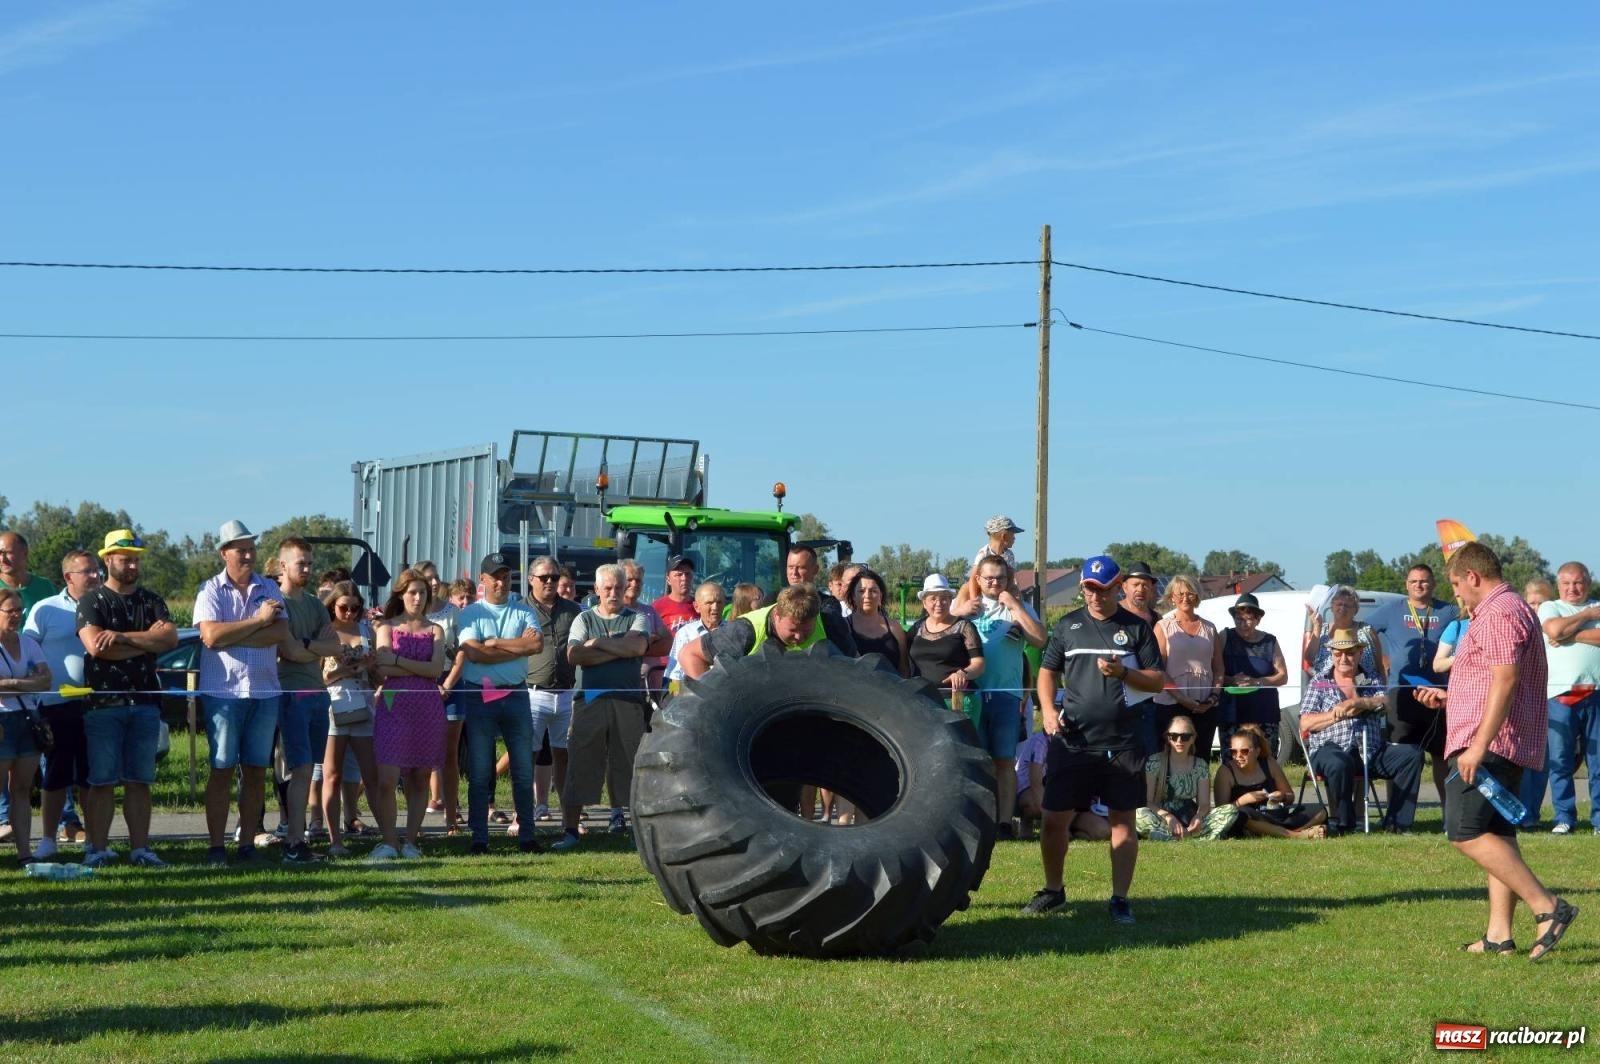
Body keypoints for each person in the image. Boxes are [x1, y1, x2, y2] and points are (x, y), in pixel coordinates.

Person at [1443, 542, 1575, 960]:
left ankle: (1548, 907)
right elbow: (1492, 678)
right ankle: (1499, 934)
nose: (1457, 595)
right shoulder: (1510, 609)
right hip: (1503, 739)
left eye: (1456, 585)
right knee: (1498, 834)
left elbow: (1505, 679)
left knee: (1466, 833)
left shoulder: (1499, 613)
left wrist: (1478, 745)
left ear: (1473, 577)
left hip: (1491, 744)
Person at [1023, 555, 1164, 924]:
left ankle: (1120, 899)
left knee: (1122, 823)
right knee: (1053, 818)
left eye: (1102, 589)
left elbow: (1156, 680)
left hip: (1123, 741)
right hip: (1073, 740)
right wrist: (1049, 712)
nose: (1095, 596)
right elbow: (1047, 673)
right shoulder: (1067, 627)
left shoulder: (1136, 628)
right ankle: (1053, 890)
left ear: (1117, 588)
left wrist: (1123, 673)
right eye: (1088, 588)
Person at [73, 531, 179, 867]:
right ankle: (98, 849)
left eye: (135, 558)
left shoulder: (151, 600)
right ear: (107, 561)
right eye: (125, 558)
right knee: (101, 781)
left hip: (146, 703)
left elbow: (170, 640)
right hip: (104, 705)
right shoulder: (92, 602)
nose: (132, 564)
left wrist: (121, 637)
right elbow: (96, 648)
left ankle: (140, 848)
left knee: (140, 780)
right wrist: (146, 640)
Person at [193, 520, 290, 866]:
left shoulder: (270, 588)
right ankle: (217, 846)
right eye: (241, 549)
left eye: (251, 547)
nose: (248, 554)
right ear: (224, 553)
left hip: (264, 693)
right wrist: (257, 621)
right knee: (221, 768)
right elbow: (211, 637)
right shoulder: (210, 590)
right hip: (224, 694)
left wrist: (237, 632)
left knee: (255, 771)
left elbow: (278, 634)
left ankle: (246, 843)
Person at [553, 563, 650, 851]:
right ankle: (571, 830)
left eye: (618, 587)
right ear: (596, 590)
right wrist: (614, 648)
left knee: (630, 766)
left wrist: (598, 644)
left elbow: (637, 649)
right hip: (589, 699)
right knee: (580, 763)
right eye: (607, 588)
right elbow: (575, 655)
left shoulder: (638, 618)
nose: (613, 593)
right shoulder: (583, 619)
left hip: (628, 701)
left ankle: (637, 831)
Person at [456, 553, 544, 856]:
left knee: (522, 769)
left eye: (506, 576)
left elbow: (535, 645)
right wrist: (513, 648)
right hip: (480, 695)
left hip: (516, 693)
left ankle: (527, 836)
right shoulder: (470, 614)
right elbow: (475, 654)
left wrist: (494, 643)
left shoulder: (523, 610)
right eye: (495, 576)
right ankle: (479, 838)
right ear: (483, 579)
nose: (501, 581)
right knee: (481, 771)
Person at [266, 538, 344, 864]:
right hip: (291, 694)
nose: (308, 569)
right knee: (298, 770)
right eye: (302, 563)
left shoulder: (314, 604)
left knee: (309, 768)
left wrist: (307, 643)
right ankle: (294, 842)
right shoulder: (276, 602)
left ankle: (298, 840)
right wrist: (310, 647)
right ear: (283, 566)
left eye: (310, 562)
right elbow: (290, 652)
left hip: (317, 694)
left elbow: (335, 645)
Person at [1300, 629, 1424, 834]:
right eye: (1338, 653)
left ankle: (1397, 824)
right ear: (1331, 654)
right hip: (1329, 748)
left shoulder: (1369, 678)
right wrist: (1337, 714)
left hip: (1370, 750)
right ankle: (1344, 824)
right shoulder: (1320, 682)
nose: (1344, 658)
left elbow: (1384, 703)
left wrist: (1358, 702)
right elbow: (1305, 723)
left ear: (1359, 653)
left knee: (1412, 755)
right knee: (1339, 762)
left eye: (1350, 652)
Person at [23, 550, 100, 860]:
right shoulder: (46, 609)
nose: (96, 576)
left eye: (96, 570)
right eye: (88, 572)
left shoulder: (105, 604)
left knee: (91, 778)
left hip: (96, 705)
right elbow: (27, 651)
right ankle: (48, 840)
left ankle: (94, 841)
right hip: (55, 706)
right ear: (69, 577)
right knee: (56, 776)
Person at [370, 568, 448, 860]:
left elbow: (435, 670)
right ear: (401, 594)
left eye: (423, 593)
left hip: (427, 707)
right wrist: (415, 665)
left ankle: (411, 841)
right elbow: (382, 667)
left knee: (419, 776)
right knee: (387, 778)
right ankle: (389, 841)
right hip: (394, 706)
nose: (417, 598)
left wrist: (399, 660)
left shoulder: (436, 630)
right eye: (412, 592)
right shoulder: (386, 627)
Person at [966, 557, 1046, 839]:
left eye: (999, 578)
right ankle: (977, 819)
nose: (994, 583)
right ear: (978, 579)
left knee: (1003, 760)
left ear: (1008, 579)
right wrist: (961, 611)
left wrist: (1015, 607)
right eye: (988, 578)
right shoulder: (966, 608)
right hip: (971, 695)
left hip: (1006, 695)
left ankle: (1003, 822)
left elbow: (1039, 639)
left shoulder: (1020, 608)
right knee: (975, 760)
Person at [1365, 563, 1455, 800]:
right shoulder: (1392, 609)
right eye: (1414, 581)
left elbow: (1469, 626)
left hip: (1438, 693)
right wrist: (1381, 659)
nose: (1419, 585)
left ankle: (1449, 812)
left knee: (1441, 755)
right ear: (1406, 585)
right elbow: (1365, 630)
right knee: (1401, 755)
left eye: (1424, 581)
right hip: (1401, 692)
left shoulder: (1448, 611)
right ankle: (1398, 815)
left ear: (1434, 584)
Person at [1536, 562, 1600, 836]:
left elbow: (1561, 634)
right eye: (1567, 583)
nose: (1573, 588)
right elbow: (1552, 631)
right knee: (1560, 760)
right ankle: (1564, 816)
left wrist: (1569, 633)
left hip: (1595, 692)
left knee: (1597, 760)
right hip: (1561, 693)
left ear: (1588, 581)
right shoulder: (1550, 607)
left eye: (1578, 582)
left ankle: (1598, 820)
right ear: (1559, 584)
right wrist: (1586, 615)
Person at [0, 529, 55, 847]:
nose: (18, 616)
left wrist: (10, 684)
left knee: (26, 785)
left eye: (20, 611)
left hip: (30, 715)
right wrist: (24, 683)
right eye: (11, 612)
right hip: (4, 720)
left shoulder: (29, 641)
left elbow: (45, 678)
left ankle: (25, 851)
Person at [679, 584, 858, 679]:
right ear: (777, 615)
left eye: (806, 630)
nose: (799, 637)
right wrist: (711, 701)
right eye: (793, 629)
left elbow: (854, 670)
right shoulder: (745, 631)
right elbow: (689, 654)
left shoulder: (830, 623)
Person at [319, 582, 380, 858]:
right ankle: (335, 839)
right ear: (333, 605)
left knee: (371, 775)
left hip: (364, 704)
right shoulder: (325, 632)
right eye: (344, 607)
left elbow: (379, 675)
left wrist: (371, 666)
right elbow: (317, 678)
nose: (350, 613)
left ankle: (388, 836)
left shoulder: (367, 630)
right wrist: (342, 670)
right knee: (331, 774)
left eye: (356, 608)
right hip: (334, 705)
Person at [524, 555, 583, 824]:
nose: (550, 582)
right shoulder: (520, 610)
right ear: (530, 579)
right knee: (529, 755)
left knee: (565, 756)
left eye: (555, 577)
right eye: (544, 577)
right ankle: (522, 814)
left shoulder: (575, 611)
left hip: (567, 693)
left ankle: (569, 818)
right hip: (532, 693)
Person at [1152, 574, 1224, 757]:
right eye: (1180, 594)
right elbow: (1158, 669)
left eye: (1190, 593)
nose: (1185, 598)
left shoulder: (1210, 628)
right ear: (1172, 597)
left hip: (1205, 705)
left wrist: (1214, 697)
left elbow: (1218, 668)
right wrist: (1182, 699)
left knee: (1201, 760)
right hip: (1171, 705)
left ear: (1197, 596)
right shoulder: (1163, 627)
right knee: (1171, 760)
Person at [1213, 724, 1327, 839]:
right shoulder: (1225, 771)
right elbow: (1221, 814)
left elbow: (1290, 796)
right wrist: (1244, 799)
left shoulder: (1269, 763)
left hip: (1274, 816)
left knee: (1320, 810)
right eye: (1233, 752)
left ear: (1257, 751)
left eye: (1244, 751)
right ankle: (1296, 835)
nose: (1238, 756)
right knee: (1240, 814)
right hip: (1249, 820)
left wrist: (1282, 796)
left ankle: (1277, 832)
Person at [1136, 714, 1239, 841]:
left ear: (1193, 738)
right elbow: (1148, 802)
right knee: (1139, 814)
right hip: (1162, 818)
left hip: (1190, 818)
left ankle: (1177, 836)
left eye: (1185, 737)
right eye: (1174, 736)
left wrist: (1198, 817)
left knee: (1230, 810)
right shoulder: (1155, 762)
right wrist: (1168, 817)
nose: (1179, 741)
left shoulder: (1200, 765)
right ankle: (1193, 837)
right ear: (1168, 738)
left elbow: (1205, 804)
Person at [1217, 592, 1288, 754]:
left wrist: (1257, 682)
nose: (1243, 624)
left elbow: (1283, 676)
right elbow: (1214, 670)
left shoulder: (1270, 641)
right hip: (1232, 713)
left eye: (1248, 619)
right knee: (1233, 761)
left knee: (1266, 759)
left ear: (1257, 619)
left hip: (1264, 712)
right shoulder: (1225, 636)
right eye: (1239, 619)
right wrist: (1231, 680)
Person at [906, 575, 985, 713]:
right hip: (923, 701)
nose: (939, 603)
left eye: (944, 598)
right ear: (924, 603)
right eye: (933, 598)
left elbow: (979, 663)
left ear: (950, 601)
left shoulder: (964, 627)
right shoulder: (916, 628)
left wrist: (962, 674)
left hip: (958, 700)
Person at [1117, 560, 1163, 757]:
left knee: (1151, 755)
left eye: (1145, 585)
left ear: (1152, 588)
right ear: (1124, 586)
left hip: (1151, 698)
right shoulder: (1113, 615)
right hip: (1119, 698)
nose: (1141, 589)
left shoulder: (1157, 620)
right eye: (1136, 584)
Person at [1304, 585, 1384, 678]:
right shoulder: (1322, 630)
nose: (1342, 608)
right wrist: (1317, 626)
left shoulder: (1367, 631)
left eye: (1347, 605)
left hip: (1363, 688)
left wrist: (1382, 689)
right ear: (1332, 607)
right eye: (1339, 604)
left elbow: (1379, 666)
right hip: (1327, 689)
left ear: (1355, 610)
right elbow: (1309, 658)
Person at [621, 558, 673, 694]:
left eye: (638, 580)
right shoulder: (613, 612)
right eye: (630, 579)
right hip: (622, 687)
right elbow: (614, 646)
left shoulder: (650, 612)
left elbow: (668, 643)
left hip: (651, 689)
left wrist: (636, 647)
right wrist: (650, 641)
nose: (634, 584)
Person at [843, 569, 908, 676]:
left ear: (881, 597)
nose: (867, 595)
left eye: (873, 591)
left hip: (892, 690)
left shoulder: (894, 627)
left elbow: (904, 667)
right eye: (861, 591)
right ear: (853, 596)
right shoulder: (844, 626)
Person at [665, 581, 726, 689]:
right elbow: (674, 675)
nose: (715, 607)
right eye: (709, 603)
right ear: (697, 606)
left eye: (719, 602)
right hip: (693, 695)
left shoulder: (733, 630)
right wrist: (675, 700)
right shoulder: (685, 633)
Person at [785, 545, 842, 618]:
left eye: (801, 568)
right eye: (790, 567)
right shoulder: (773, 601)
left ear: (815, 570)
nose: (794, 573)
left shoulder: (828, 604)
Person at [652, 554, 699, 635]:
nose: (684, 578)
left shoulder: (700, 606)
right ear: (668, 580)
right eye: (679, 575)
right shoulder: (656, 608)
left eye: (688, 574)